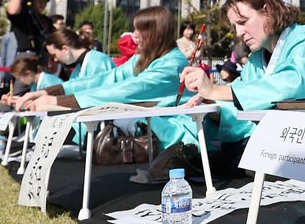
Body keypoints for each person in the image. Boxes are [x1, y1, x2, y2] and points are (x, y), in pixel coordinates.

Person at [178, 0, 305, 168]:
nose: (239, 33)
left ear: (267, 12)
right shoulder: (257, 59)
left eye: (243, 21)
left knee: (236, 159)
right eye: (235, 26)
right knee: (216, 155)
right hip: (294, 142)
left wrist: (215, 90)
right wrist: (215, 108)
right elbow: (245, 108)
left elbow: (292, 84)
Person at [19, 8, 190, 148]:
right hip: (145, 131)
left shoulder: (172, 63)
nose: (134, 35)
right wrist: (50, 93)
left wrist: (58, 101)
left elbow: (123, 91)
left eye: (140, 29)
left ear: (157, 32)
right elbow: (106, 79)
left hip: (173, 137)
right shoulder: (143, 59)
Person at [44, 28, 113, 83]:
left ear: (65, 49)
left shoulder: (98, 61)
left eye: (54, 55)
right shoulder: (80, 66)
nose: (55, 60)